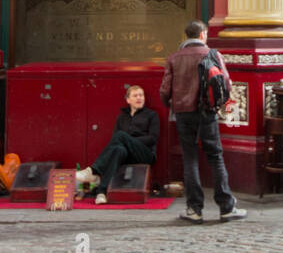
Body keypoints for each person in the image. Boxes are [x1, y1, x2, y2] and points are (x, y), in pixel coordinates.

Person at [160, 20, 246, 223]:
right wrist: (218, 104)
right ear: (202, 35)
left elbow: (165, 89)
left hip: (183, 113)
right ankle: (226, 207)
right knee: (215, 156)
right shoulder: (213, 55)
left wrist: (171, 104)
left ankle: (194, 209)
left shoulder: (174, 58)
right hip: (207, 112)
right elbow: (226, 82)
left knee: (189, 158)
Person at [75, 85, 159, 204]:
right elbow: (115, 141)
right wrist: (126, 141)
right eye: (135, 95)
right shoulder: (121, 117)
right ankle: (101, 192)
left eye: (141, 95)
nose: (139, 98)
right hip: (126, 154)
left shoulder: (152, 115)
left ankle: (93, 171)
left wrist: (129, 140)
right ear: (128, 100)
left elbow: (152, 139)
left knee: (121, 136)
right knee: (118, 149)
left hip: (145, 154)